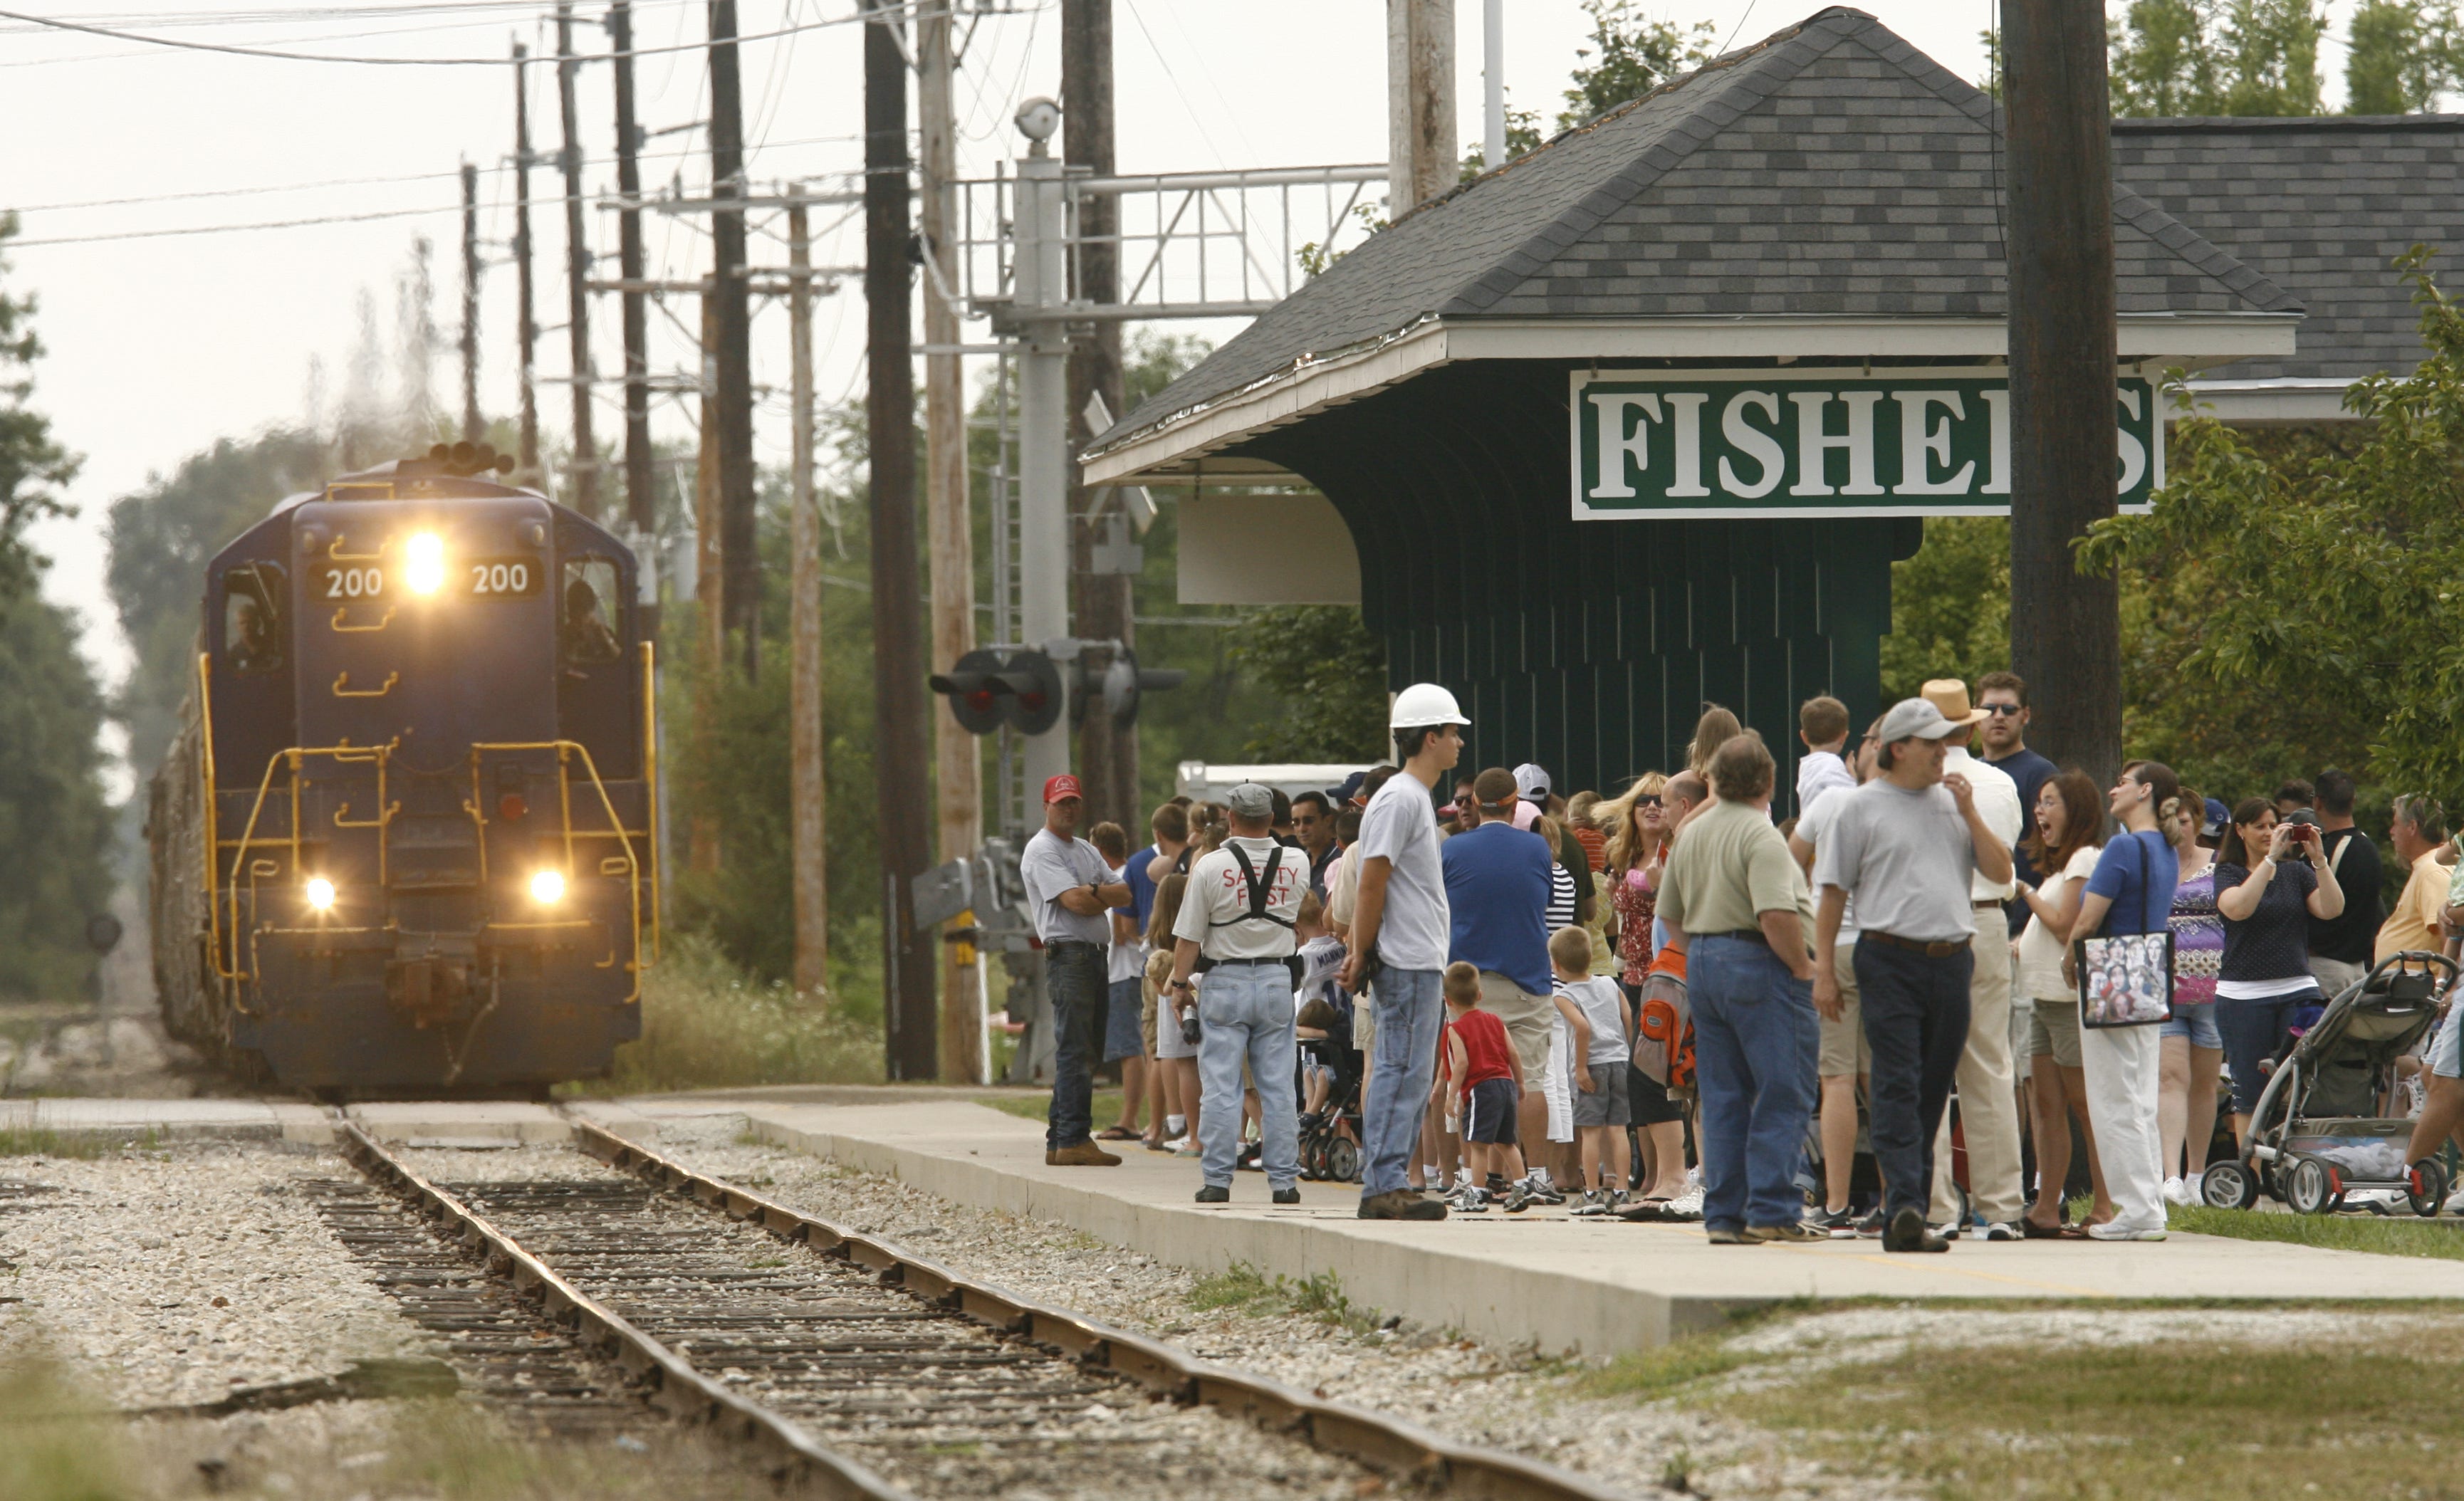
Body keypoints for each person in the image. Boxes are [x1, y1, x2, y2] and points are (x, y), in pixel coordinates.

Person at [1812, 697, 2013, 1254]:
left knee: (1932, 1089)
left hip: (1953, 960)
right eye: (1932, 743)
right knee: (1897, 1082)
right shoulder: (1858, 808)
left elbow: (2001, 873)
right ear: (1898, 748)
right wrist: (1824, 971)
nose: (1943, 751)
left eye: (1946, 741)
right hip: (1887, 958)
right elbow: (1832, 894)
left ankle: (1911, 1209)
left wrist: (1970, 813)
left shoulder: (1954, 802)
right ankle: (1903, 1205)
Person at [1656, 733, 1823, 1245]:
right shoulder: (1760, 835)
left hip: (1704, 962)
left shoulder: (1692, 834)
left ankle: (1725, 1215)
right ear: (1768, 781)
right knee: (1782, 1088)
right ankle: (1771, 1207)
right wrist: (1803, 966)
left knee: (1722, 1094)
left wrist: (1707, 949)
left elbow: (1670, 914)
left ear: (1714, 781)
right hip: (1762, 964)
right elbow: (1774, 913)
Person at [1342, 684, 1466, 1220]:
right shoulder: (1402, 798)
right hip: (1407, 958)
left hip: (1415, 957)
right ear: (1430, 737)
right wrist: (1360, 950)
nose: (1460, 741)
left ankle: (1389, 1181)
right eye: (1453, 732)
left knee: (1409, 1074)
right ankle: (1384, 1185)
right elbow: (1372, 881)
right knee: (1401, 1073)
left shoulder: (1408, 797)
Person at [1919, 679, 2027, 1240]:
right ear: (1970, 725)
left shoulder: (1910, 788)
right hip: (1985, 918)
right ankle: (2003, 1206)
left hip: (1924, 925)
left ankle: (1936, 1206)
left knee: (1925, 1067)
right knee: (1989, 1062)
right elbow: (2005, 855)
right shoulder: (2000, 783)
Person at [1164, 783, 1307, 1206]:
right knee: (1278, 1086)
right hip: (1277, 979)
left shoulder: (1211, 866)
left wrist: (1179, 985)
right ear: (1271, 818)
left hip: (1224, 981)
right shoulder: (1296, 861)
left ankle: (1217, 1180)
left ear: (1231, 817)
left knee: (1222, 1086)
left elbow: (1189, 938)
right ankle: (1284, 1181)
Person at [2062, 760, 2184, 1242]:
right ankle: (2149, 1204)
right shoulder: (2166, 849)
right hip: (2149, 975)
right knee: (2139, 1095)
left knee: (2113, 1096)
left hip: (2112, 977)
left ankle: (2136, 1209)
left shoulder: (2122, 847)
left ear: (2145, 791)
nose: (2113, 791)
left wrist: (2069, 958)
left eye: (2122, 784)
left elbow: (2088, 919)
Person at [1441, 767, 1565, 1204]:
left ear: (1474, 803)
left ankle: (1467, 1176)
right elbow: (1545, 901)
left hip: (1467, 983)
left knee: (1466, 1077)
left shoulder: (1452, 848)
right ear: (1516, 804)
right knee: (1529, 1078)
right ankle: (1537, 1176)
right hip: (1527, 979)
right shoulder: (1536, 847)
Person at [1788, 717, 1880, 1235]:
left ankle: (1839, 1202)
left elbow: (1789, 862)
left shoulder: (1828, 804)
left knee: (1838, 1078)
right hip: (1887, 949)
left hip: (1837, 945)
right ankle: (1898, 1198)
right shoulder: (1900, 806)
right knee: (1882, 1077)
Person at [2214, 796, 2346, 1143]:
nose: (2269, 832)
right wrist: (2270, 859)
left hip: (2297, 990)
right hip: (2243, 996)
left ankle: (2293, 1163)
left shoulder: (2297, 873)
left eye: (2274, 826)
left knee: (2301, 1084)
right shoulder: (2228, 873)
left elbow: (2332, 909)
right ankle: (2252, 1171)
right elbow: (2238, 909)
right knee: (2250, 1093)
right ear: (2240, 831)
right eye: (2259, 826)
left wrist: (2319, 861)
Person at [1018, 773, 1134, 1166]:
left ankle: (1060, 1140)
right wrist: (1094, 894)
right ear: (1046, 806)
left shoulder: (1085, 849)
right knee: (1076, 1049)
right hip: (1070, 956)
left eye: (1073, 802)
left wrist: (1092, 891)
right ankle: (1074, 1137)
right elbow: (1075, 903)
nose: (1068, 809)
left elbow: (1125, 893)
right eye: (1060, 802)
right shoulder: (1042, 850)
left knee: (1088, 1048)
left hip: (1094, 955)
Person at [2014, 770, 2110, 1235]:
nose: (2040, 811)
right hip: (2041, 999)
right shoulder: (2060, 867)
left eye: (2050, 802)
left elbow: (2064, 926)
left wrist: (2023, 891)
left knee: (2084, 1107)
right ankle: (2047, 1208)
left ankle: (2105, 1206)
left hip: (2067, 1001)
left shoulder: (2086, 858)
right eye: (2039, 802)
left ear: (2076, 810)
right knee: (2046, 1105)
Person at [2159, 783, 2225, 1206]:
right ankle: (2170, 1175)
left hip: (2214, 989)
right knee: (2169, 1077)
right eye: (2169, 821)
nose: (2178, 828)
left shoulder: (2220, 864)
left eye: (2184, 820)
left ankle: (2197, 1174)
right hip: (2164, 988)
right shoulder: (2153, 865)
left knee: (2204, 1083)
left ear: (2197, 823)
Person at [1551, 924, 1634, 1215]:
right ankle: (1622, 1190)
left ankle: (1592, 1193)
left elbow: (1582, 1027)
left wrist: (1580, 1067)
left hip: (1593, 1066)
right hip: (1620, 1061)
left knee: (1590, 1132)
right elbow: (1627, 1016)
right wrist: (1628, 1052)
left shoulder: (1564, 996)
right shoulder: (1610, 984)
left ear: (1556, 965)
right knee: (1618, 1129)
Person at [1432, 962, 1523, 1210]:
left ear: (1448, 1001)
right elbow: (1513, 1053)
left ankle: (1476, 1193)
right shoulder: (1496, 1021)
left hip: (1482, 1089)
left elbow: (1461, 1063)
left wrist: (1451, 1096)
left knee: (1478, 1145)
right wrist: (1520, 1082)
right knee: (1506, 1142)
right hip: (1506, 1084)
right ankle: (1522, 1186)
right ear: (1480, 995)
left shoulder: (1455, 1028)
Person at [1977, 671, 2057, 939]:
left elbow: (2056, 854)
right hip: (1970, 918)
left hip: (2025, 926)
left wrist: (2028, 924)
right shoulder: (1970, 772)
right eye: (1990, 709)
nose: (1999, 716)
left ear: (2025, 715)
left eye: (2009, 709)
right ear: (1975, 716)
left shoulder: (2042, 775)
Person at [1127, 802, 1189, 1149]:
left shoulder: (1154, 938)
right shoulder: (1189, 926)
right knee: (1185, 1057)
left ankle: (1160, 1124)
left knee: (1158, 1051)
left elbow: (1127, 930)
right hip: (1185, 981)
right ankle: (1180, 1122)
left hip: (1157, 981)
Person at [1088, 822, 1149, 1144]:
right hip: (1129, 971)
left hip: (1126, 971)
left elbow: (1123, 931)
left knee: (1130, 1049)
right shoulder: (1129, 874)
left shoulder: (1118, 880)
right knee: (1138, 1046)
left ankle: (1130, 1119)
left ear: (1099, 850)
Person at [2308, 769, 2383, 996]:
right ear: (2354, 801)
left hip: (2326, 967)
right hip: (2359, 968)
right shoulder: (2368, 847)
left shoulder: (2325, 853)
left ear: (2317, 802)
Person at [1144, 874, 1201, 1155]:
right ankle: (1194, 1130)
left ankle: (1187, 1128)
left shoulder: (1156, 939)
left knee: (1180, 1063)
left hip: (1171, 1006)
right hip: (1193, 995)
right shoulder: (1191, 931)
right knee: (1196, 1065)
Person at [1517, 763, 1597, 924]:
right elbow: (1590, 911)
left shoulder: (1514, 843)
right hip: (1571, 938)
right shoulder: (1572, 842)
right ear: (1549, 800)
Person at [2376, 794, 2450, 963]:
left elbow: (2448, 929)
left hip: (2420, 979)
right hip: (2408, 978)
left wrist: (2446, 978)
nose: (2392, 831)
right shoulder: (2428, 866)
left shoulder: (2431, 870)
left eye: (2396, 824)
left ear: (2412, 827)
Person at [1796, 694, 1855, 815]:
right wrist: (1854, 778)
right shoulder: (1832, 765)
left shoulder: (1806, 768)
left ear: (1803, 737)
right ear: (1843, 737)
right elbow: (1854, 802)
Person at [561, 577, 622, 663]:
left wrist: (607, 639)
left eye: (586, 615)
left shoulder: (602, 632)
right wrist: (575, 644)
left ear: (593, 610)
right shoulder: (564, 635)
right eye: (577, 619)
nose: (583, 622)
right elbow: (565, 664)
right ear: (571, 615)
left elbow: (620, 658)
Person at [1293, 790, 1340, 896]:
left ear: (1327, 820)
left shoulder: (1342, 859)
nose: (1302, 829)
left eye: (1308, 821)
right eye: (1296, 822)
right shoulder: (1296, 863)